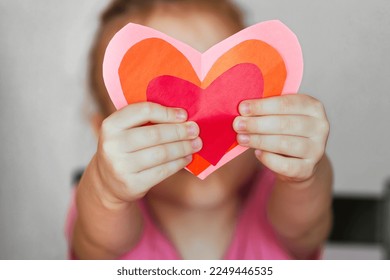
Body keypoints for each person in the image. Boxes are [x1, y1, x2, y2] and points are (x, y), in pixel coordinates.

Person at [65, 0, 333, 260]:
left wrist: (305, 175)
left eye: (227, 100)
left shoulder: (278, 198)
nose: (198, 132)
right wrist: (106, 189)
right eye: (163, 106)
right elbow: (94, 243)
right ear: (104, 137)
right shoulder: (111, 216)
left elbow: (306, 226)